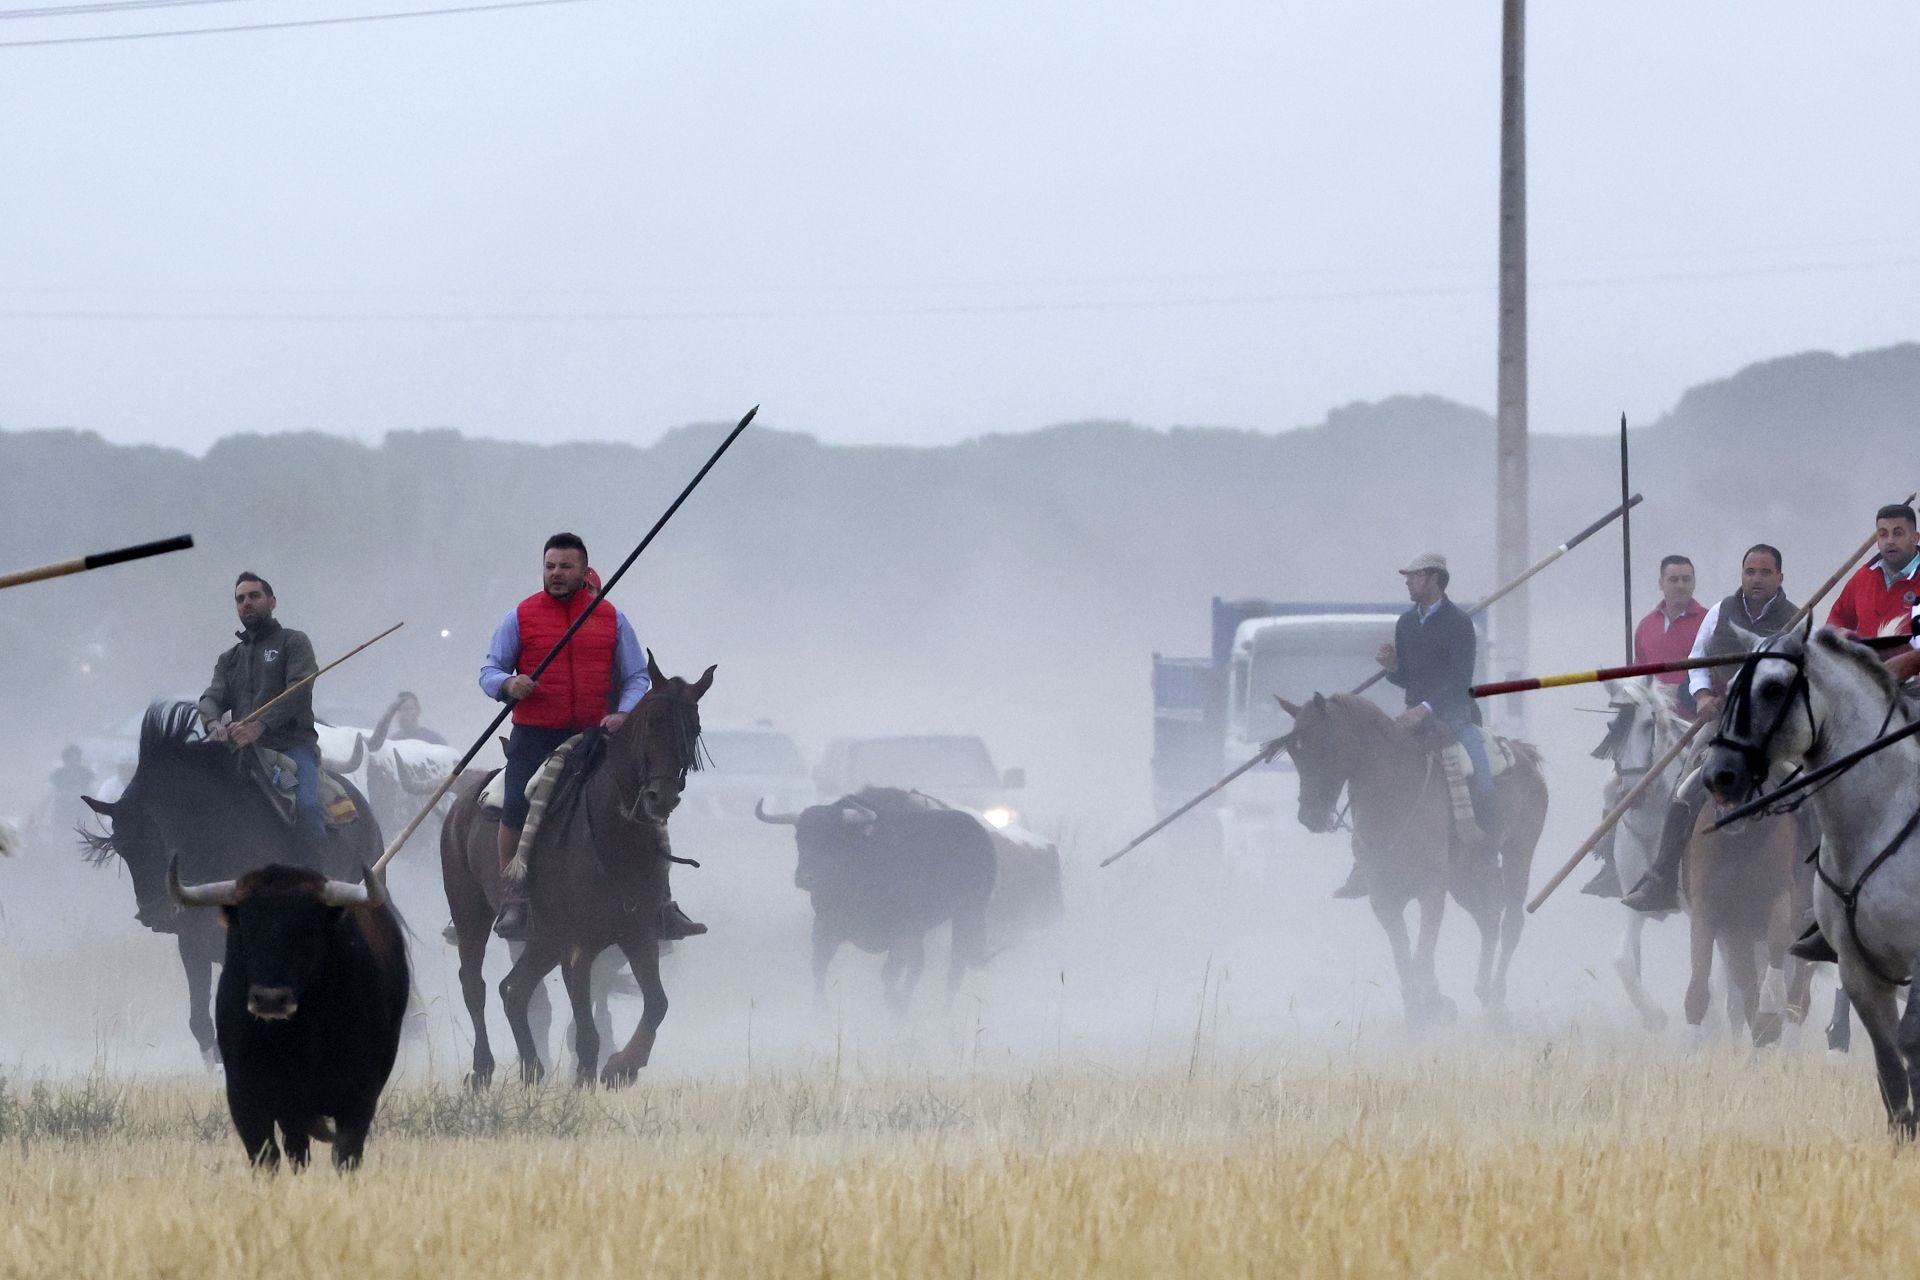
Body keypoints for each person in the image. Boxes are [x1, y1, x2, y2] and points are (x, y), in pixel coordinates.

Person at [479, 532, 704, 942]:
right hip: (535, 733)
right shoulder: (520, 616)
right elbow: (489, 671)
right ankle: (514, 895)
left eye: (565, 566)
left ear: (584, 571)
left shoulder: (612, 619)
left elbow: (636, 676)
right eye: (550, 566)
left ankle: (662, 901)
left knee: (647, 801)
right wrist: (509, 685)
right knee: (516, 804)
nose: (556, 573)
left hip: (594, 734)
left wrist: (623, 713)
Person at [1622, 545, 1797, 914]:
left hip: (1775, 728)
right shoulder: (1721, 611)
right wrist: (1702, 696)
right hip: (1723, 720)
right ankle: (1662, 877)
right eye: (1750, 572)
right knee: (1685, 787)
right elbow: (1698, 658)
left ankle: (1813, 882)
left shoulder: (1795, 619)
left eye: (1765, 572)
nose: (1756, 579)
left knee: (1810, 787)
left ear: (1780, 577)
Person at [1333, 552, 1496, 899]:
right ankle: (1364, 858)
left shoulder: (1459, 624)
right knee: (1368, 771)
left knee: (1483, 775)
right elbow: (1408, 678)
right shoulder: (1406, 623)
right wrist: (1393, 666)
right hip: (1413, 718)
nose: (1407, 581)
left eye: (1414, 575)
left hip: (1454, 715)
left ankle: (1487, 856)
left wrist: (1425, 708)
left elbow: (1459, 680)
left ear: (1434, 578)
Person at [1582, 554, 1709, 897]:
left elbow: (1712, 674)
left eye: (1686, 579)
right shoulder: (1646, 625)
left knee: (1698, 786)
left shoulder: (1707, 622)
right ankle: (1612, 864)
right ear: (1661, 583)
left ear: (1693, 583)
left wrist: (1690, 695)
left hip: (1694, 723)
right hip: (1652, 727)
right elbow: (1639, 678)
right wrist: (1628, 699)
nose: (1680, 585)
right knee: (1611, 786)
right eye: (1674, 579)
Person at [197, 572, 325, 851]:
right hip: (242, 752)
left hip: (290, 752)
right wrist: (213, 723)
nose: (247, 603)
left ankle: (318, 871)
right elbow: (211, 697)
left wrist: (260, 725)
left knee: (306, 807)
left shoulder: (293, 642)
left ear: (272, 601)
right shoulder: (229, 658)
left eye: (254, 596)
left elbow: (299, 690)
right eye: (240, 599)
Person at [369, 691, 447, 749]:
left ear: (418, 711)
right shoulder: (392, 743)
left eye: (407, 709)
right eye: (398, 710)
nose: (403, 714)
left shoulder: (434, 740)